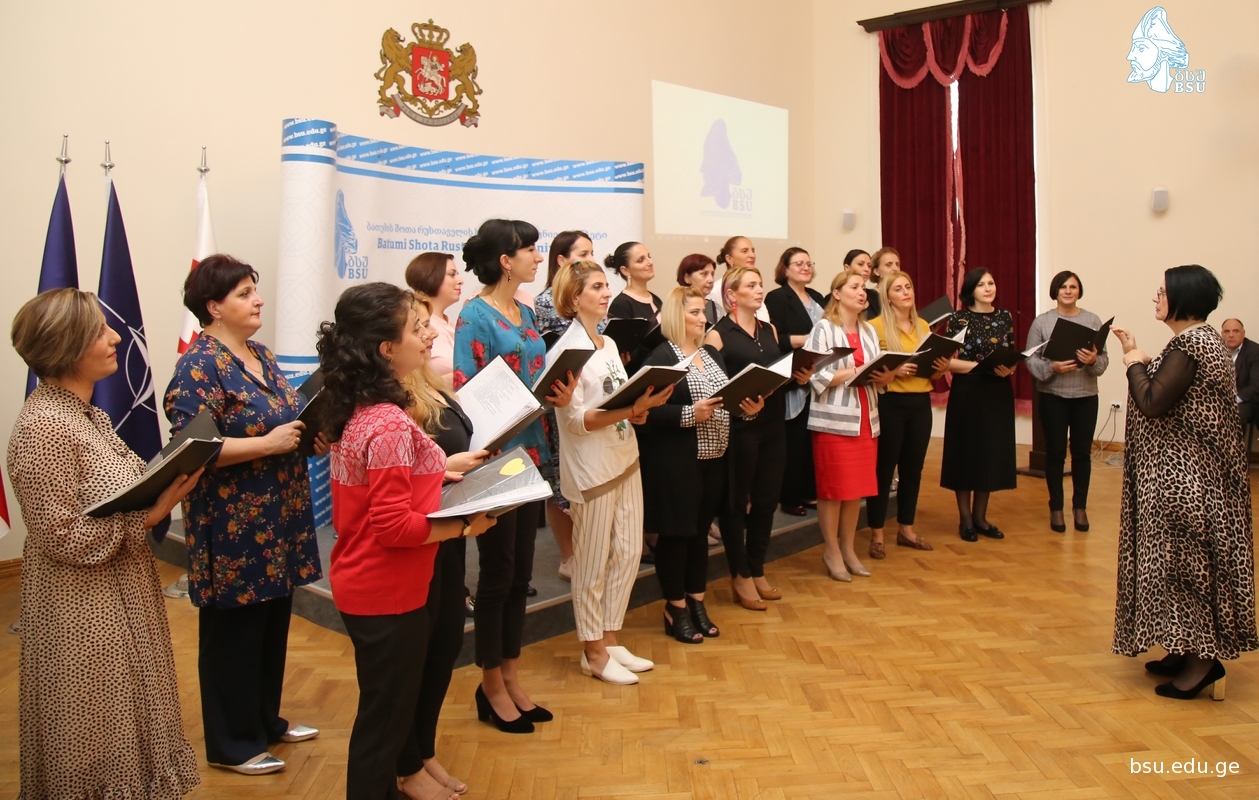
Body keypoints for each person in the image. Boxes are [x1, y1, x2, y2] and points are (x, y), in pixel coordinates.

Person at [8, 288, 202, 799]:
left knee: (129, 718)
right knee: (94, 732)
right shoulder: (45, 425)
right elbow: (61, 536)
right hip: (81, 610)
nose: (116, 336)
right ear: (67, 345)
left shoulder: (84, 414)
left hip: (119, 592)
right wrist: (153, 513)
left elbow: (113, 495)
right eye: (99, 330)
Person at [318, 283, 494, 798]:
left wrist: (439, 470)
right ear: (386, 348)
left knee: (385, 717)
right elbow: (393, 527)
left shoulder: (364, 407)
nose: (427, 337)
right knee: (383, 727)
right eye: (416, 330)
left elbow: (384, 487)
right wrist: (466, 527)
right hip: (386, 589)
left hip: (373, 584)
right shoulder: (389, 423)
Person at [164, 254, 323, 774]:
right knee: (235, 632)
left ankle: (264, 720)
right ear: (213, 307)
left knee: (271, 621)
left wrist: (307, 435)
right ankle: (232, 743)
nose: (258, 300)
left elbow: (285, 420)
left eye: (255, 290)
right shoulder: (199, 365)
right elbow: (191, 447)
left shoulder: (260, 354)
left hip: (279, 511)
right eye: (244, 293)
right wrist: (267, 444)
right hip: (233, 520)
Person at [452, 218, 576, 732]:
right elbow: (468, 390)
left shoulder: (524, 312)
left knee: (522, 574)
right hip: (498, 458)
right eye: (530, 250)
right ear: (506, 261)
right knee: (498, 574)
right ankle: (490, 684)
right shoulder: (473, 315)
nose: (537, 258)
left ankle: (511, 674)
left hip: (533, 452)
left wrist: (558, 392)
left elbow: (535, 377)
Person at [1111, 264, 1254, 700]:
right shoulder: (1196, 341)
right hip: (1186, 478)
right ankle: (1182, 646)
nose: (1156, 298)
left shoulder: (1193, 343)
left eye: (1162, 292)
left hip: (1189, 483)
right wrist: (1139, 354)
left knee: (1189, 568)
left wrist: (1133, 362)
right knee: (1175, 567)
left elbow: (1153, 401)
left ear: (1183, 298)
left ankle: (1203, 664)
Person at [552, 259, 672, 683]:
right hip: (592, 469)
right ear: (574, 297)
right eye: (597, 287)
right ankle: (593, 651)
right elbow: (575, 421)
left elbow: (617, 400)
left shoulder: (607, 343)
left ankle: (610, 637)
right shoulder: (565, 352)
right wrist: (631, 408)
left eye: (606, 286)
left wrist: (637, 411)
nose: (606, 293)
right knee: (591, 562)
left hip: (625, 457)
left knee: (628, 552)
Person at [396, 293, 493, 798]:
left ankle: (424, 750)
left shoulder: (426, 381)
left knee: (445, 645)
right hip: (422, 537)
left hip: (447, 531)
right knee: (418, 655)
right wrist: (447, 468)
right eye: (419, 326)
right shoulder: (389, 402)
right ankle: (406, 761)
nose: (432, 333)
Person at [636, 287, 731, 643]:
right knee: (676, 537)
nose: (703, 319)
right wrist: (691, 413)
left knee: (699, 535)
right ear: (677, 316)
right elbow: (644, 413)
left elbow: (725, 396)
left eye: (703, 312)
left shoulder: (711, 354)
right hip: (677, 462)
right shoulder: (662, 358)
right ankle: (675, 608)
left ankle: (697, 602)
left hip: (714, 458)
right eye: (694, 312)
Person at [805, 270, 896, 581]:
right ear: (837, 293)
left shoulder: (868, 330)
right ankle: (831, 550)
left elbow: (877, 374)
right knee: (833, 490)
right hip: (833, 421)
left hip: (866, 420)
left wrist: (885, 376)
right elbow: (816, 376)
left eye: (864, 287)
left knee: (855, 491)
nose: (862, 292)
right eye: (854, 287)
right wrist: (856, 370)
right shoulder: (823, 329)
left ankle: (848, 548)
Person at [704, 266, 782, 611]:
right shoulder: (717, 335)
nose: (759, 289)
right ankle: (740, 574)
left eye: (760, 283)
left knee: (766, 500)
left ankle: (757, 567)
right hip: (739, 428)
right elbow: (716, 388)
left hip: (773, 422)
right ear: (732, 295)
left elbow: (776, 372)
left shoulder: (770, 329)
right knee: (736, 504)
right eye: (751, 285)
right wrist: (744, 403)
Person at [867, 271, 950, 556]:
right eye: (898, 289)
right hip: (891, 403)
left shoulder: (923, 324)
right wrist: (895, 370)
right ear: (888, 297)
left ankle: (906, 529)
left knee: (913, 470)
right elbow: (872, 370)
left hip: (920, 403)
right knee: (884, 470)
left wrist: (940, 366)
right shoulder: (875, 327)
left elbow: (930, 370)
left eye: (908, 287)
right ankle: (877, 534)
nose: (906, 293)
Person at [534, 230, 601, 582]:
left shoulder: (596, 299)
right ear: (561, 260)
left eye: (592, 252)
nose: (589, 259)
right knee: (561, 478)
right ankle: (569, 555)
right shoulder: (546, 302)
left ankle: (589, 549)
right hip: (563, 397)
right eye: (582, 253)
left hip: (593, 395)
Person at [1024, 271, 1109, 533]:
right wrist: (1053, 367)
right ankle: (1056, 508)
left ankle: (1080, 507)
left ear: (1079, 291)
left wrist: (1093, 360)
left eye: (1073, 287)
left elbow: (1103, 360)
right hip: (1053, 397)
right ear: (1055, 291)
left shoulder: (1092, 320)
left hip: (1086, 397)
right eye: (1063, 287)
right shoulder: (1042, 322)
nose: (1068, 291)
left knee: (1082, 454)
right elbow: (1030, 359)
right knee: (1055, 453)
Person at [940, 268, 1019, 542]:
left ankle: (980, 518)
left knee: (989, 453)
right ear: (970, 290)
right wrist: (977, 366)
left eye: (991, 283)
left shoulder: (1004, 316)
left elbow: (1010, 354)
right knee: (965, 453)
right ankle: (965, 520)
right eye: (981, 284)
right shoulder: (959, 318)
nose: (988, 288)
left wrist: (1010, 368)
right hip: (968, 391)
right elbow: (945, 361)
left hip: (997, 392)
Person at [764, 247, 826, 517]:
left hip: (818, 374)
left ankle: (809, 492)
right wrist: (808, 340)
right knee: (794, 441)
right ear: (785, 269)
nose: (805, 267)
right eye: (798, 263)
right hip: (794, 376)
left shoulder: (817, 297)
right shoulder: (777, 297)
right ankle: (789, 497)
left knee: (812, 440)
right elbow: (775, 337)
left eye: (808, 263)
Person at [404, 252, 463, 381]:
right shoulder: (411, 326)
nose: (460, 281)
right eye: (451, 274)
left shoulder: (454, 326)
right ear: (430, 276)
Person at [606, 241, 662, 372]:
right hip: (638, 372)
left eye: (649, 256)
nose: (650, 262)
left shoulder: (656, 299)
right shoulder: (621, 304)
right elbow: (623, 351)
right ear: (625, 270)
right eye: (641, 260)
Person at [708, 236, 769, 322]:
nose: (752, 255)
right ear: (729, 259)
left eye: (753, 251)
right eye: (744, 251)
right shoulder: (716, 290)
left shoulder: (756, 288)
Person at [1221, 318, 1259, 429]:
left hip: (1246, 399)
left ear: (1243, 334)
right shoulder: (1216, 350)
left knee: (1232, 415)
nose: (1231, 335)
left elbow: (1256, 385)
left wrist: (1233, 400)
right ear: (1222, 334)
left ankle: (1234, 441)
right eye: (1227, 331)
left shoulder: (1255, 351)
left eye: (1236, 331)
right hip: (1221, 398)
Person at [677, 253, 721, 327]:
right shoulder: (677, 306)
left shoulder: (715, 307)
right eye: (704, 274)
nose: (711, 280)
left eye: (712, 274)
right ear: (687, 278)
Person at [843, 249, 878, 319]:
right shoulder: (833, 297)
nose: (866, 269)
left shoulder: (875, 296)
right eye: (860, 264)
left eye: (869, 266)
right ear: (847, 268)